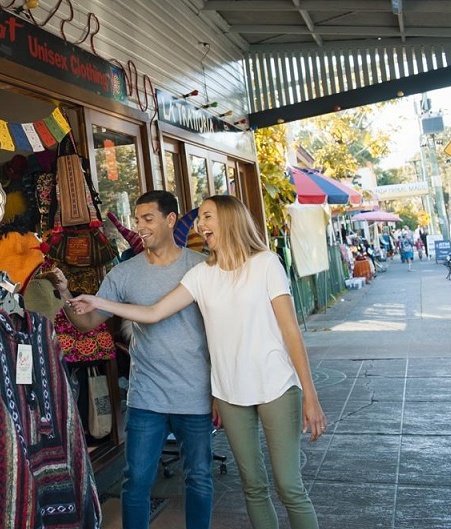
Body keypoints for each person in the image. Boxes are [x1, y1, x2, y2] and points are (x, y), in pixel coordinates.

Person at [68, 194, 327, 529]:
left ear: (230, 219)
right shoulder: (203, 274)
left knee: (288, 486)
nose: (200, 225)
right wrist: (98, 301)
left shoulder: (265, 263)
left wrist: (310, 394)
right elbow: (153, 313)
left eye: (207, 217)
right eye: (200, 219)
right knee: (254, 487)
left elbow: (291, 330)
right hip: (229, 395)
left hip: (275, 386)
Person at [50, 190, 213, 529]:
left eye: (148, 219)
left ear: (170, 220)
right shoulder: (124, 274)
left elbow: (219, 332)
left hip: (195, 393)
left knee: (199, 479)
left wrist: (219, 393)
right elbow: (86, 323)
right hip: (146, 396)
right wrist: (65, 294)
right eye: (137, 220)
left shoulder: (199, 267)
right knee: (136, 483)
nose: (140, 226)